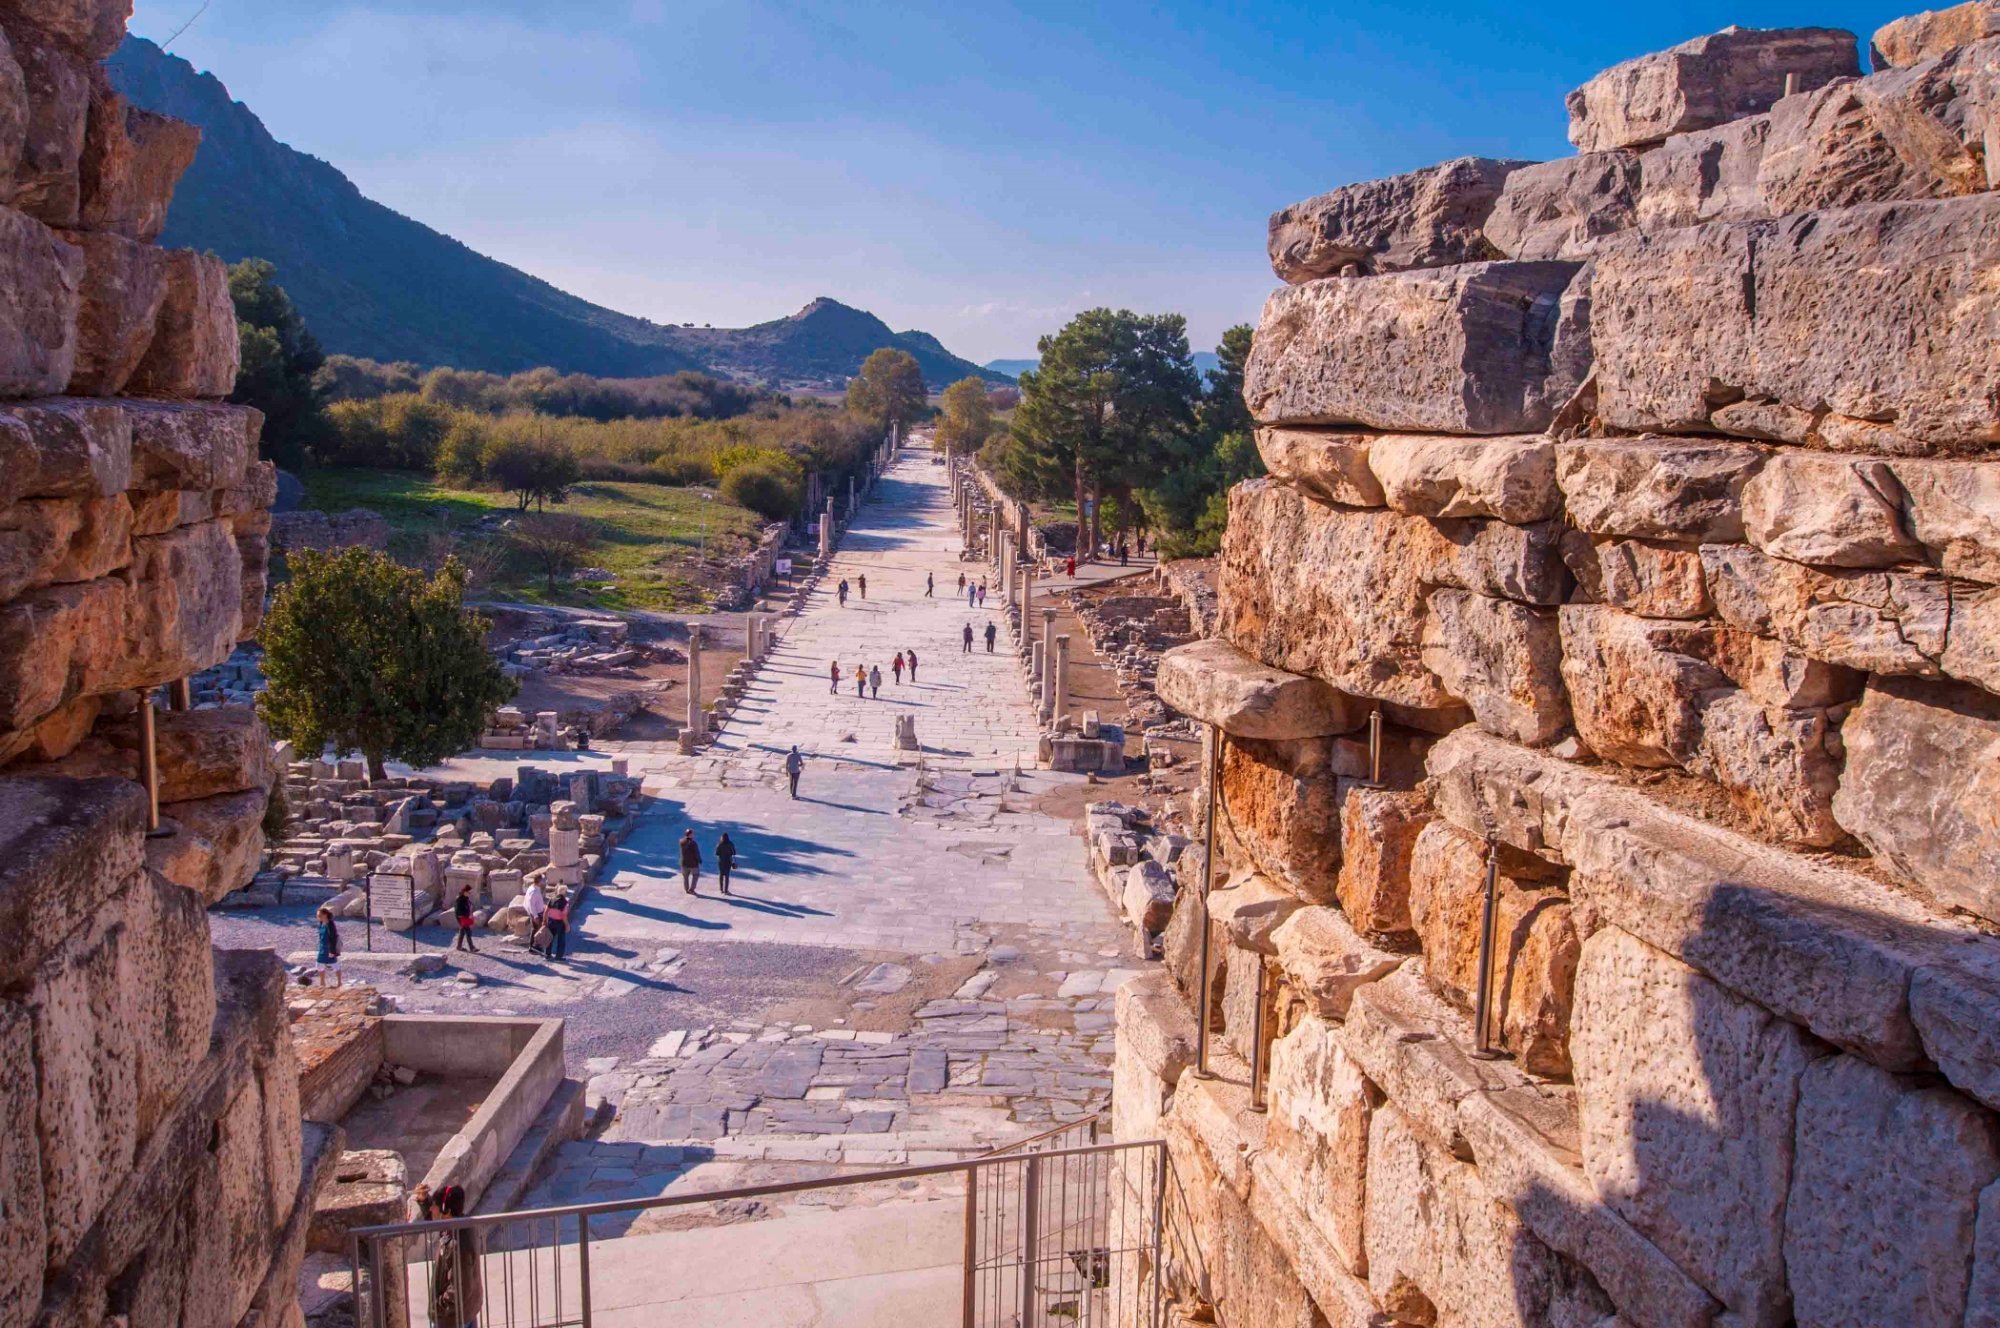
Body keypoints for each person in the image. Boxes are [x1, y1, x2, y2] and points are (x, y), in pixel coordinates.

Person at [416, 1182, 483, 1328]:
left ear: (446, 1211)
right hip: (463, 1313)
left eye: (434, 1205)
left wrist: (436, 1307)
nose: (431, 1208)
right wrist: (423, 1200)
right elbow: (434, 1219)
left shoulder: (458, 1244)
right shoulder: (456, 1223)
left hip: (454, 1319)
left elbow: (459, 1289)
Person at [314, 906, 342, 988]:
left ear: (325, 915)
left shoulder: (330, 924)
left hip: (329, 948)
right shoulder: (321, 923)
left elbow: (333, 938)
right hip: (322, 947)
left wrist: (332, 951)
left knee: (334, 964)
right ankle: (322, 983)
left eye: (319, 915)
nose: (318, 917)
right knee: (319, 964)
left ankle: (339, 982)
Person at [522, 878, 549, 956]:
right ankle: (534, 947)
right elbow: (531, 904)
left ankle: (534, 946)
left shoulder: (533, 888)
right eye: (543, 880)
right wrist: (535, 916)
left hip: (536, 912)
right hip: (536, 913)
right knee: (537, 930)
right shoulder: (534, 891)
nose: (544, 881)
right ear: (539, 881)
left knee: (536, 929)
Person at [544, 889, 571, 960]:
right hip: (559, 923)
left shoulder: (551, 900)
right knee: (561, 939)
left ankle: (547, 955)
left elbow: (546, 911)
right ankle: (558, 956)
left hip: (551, 921)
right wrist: (567, 925)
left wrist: (544, 921)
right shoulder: (565, 903)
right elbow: (564, 916)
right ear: (565, 893)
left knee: (549, 938)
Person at [452, 883, 478, 953]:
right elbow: (458, 910)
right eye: (469, 892)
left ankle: (459, 946)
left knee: (462, 932)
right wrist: (463, 917)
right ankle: (472, 948)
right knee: (468, 932)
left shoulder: (466, 898)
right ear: (465, 892)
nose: (470, 894)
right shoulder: (459, 899)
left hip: (465, 917)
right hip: (462, 918)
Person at [679, 828, 702, 894]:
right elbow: (696, 853)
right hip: (693, 863)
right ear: (690, 835)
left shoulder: (681, 842)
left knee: (685, 877)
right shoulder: (693, 843)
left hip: (684, 863)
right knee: (696, 875)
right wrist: (699, 860)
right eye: (692, 834)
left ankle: (686, 889)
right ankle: (692, 889)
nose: (693, 835)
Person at [715, 832, 736, 896]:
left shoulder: (719, 844)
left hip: (721, 861)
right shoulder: (731, 844)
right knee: (727, 875)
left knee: (721, 874)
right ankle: (726, 890)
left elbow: (717, 853)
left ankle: (721, 889)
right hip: (728, 861)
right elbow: (734, 853)